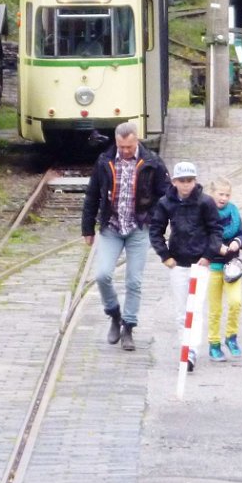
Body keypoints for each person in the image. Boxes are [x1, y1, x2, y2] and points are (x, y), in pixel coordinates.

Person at [81, 121, 170, 351]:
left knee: (134, 281)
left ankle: (128, 327)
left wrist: (156, 221)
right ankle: (114, 314)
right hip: (111, 227)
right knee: (102, 275)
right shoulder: (105, 161)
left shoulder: (152, 162)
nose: (125, 151)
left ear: (137, 140)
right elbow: (92, 195)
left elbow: (166, 195)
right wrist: (87, 228)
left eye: (129, 147)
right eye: (122, 147)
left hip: (138, 229)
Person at [148, 161, 223, 371]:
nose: (186, 185)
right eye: (182, 181)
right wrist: (164, 255)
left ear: (195, 181)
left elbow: (216, 230)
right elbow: (156, 230)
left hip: (199, 263)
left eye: (190, 181)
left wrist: (208, 255)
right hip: (178, 264)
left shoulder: (205, 202)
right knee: (182, 310)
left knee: (195, 309)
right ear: (174, 182)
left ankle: (191, 350)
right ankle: (185, 346)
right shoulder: (166, 203)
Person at [203, 178, 242, 361]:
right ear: (212, 193)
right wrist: (217, 247)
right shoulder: (205, 211)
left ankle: (231, 336)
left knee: (235, 302)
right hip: (212, 265)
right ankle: (214, 344)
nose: (224, 198)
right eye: (220, 194)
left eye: (227, 195)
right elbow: (202, 237)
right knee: (214, 309)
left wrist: (238, 242)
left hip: (231, 266)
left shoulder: (234, 211)